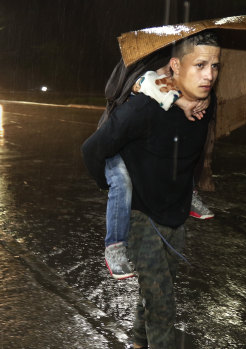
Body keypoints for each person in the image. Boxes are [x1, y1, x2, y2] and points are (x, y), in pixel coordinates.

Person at [81, 31, 220, 348]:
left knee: (157, 289)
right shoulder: (141, 108)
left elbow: (190, 152)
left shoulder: (205, 105)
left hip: (175, 215)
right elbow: (91, 150)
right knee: (162, 304)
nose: (209, 74)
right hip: (141, 217)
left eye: (214, 65)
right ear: (175, 66)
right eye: (200, 65)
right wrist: (117, 190)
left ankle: (139, 341)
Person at [103, 67, 211, 280]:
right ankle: (114, 247)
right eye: (167, 71)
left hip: (145, 146)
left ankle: (187, 195)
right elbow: (145, 81)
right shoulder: (137, 75)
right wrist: (181, 99)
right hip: (116, 146)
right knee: (123, 182)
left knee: (176, 147)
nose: (169, 76)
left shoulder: (177, 80)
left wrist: (202, 99)